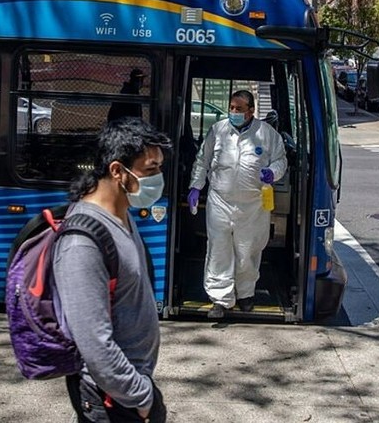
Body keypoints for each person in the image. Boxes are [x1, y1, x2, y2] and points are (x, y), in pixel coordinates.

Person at [54, 117, 171, 422]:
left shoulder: (122, 215)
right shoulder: (82, 244)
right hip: (111, 396)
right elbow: (94, 342)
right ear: (118, 171)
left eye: (159, 167)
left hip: (129, 387)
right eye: (151, 169)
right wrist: (141, 398)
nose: (158, 177)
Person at [186, 90, 287, 319]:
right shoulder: (218, 130)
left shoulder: (267, 134)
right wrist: (196, 186)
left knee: (247, 251)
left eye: (239, 109)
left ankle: (245, 294)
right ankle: (220, 300)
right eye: (231, 107)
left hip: (253, 205)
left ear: (251, 111)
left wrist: (273, 172)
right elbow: (203, 159)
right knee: (219, 250)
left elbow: (281, 160)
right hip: (220, 200)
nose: (233, 112)